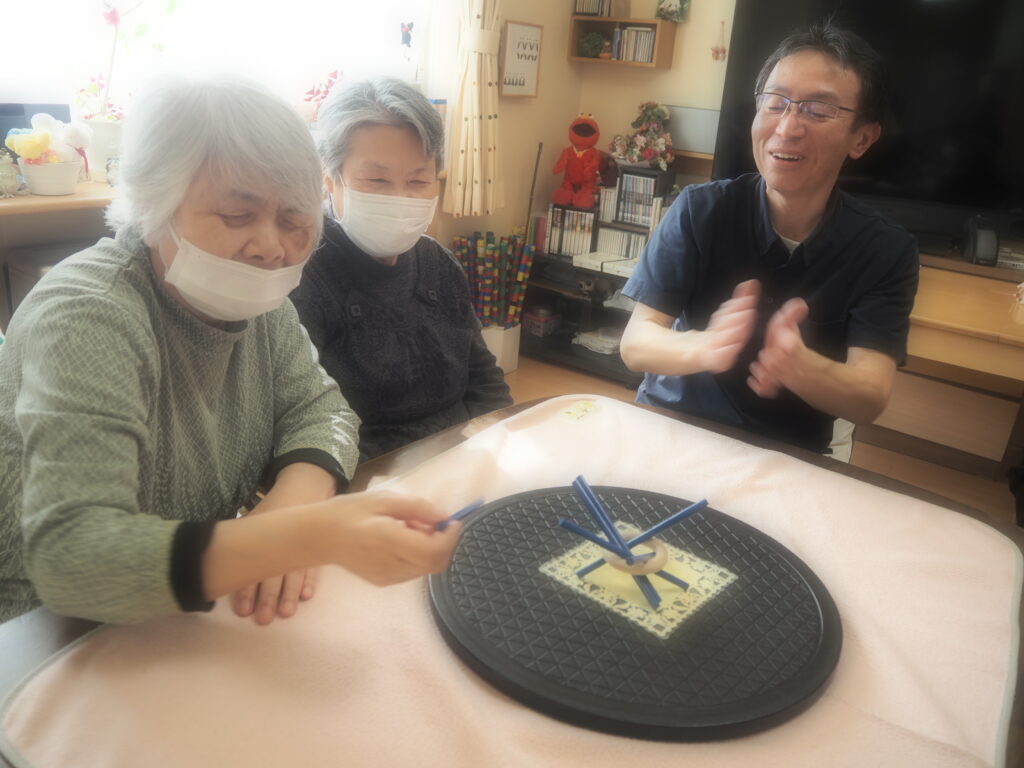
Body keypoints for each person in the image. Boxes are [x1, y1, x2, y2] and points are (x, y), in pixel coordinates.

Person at [0, 76, 461, 627]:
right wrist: (299, 537)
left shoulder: (259, 303)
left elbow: (324, 412)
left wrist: (284, 519)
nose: (271, 247)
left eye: (294, 219)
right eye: (237, 216)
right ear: (155, 205)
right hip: (48, 633)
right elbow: (73, 560)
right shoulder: (89, 314)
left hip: (184, 614)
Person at [619, 22, 918, 455]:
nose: (788, 127)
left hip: (786, 454)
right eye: (775, 103)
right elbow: (636, 344)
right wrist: (704, 345)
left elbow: (870, 396)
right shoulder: (701, 208)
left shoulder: (886, 250)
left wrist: (800, 367)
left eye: (818, 110)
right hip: (674, 427)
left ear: (863, 138)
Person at [290, 78, 512, 462]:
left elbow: (484, 380)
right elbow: (308, 428)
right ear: (330, 181)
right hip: (367, 475)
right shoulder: (302, 279)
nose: (399, 198)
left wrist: (494, 449)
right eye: (377, 180)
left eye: (418, 180)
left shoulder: (439, 264)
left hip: (465, 457)